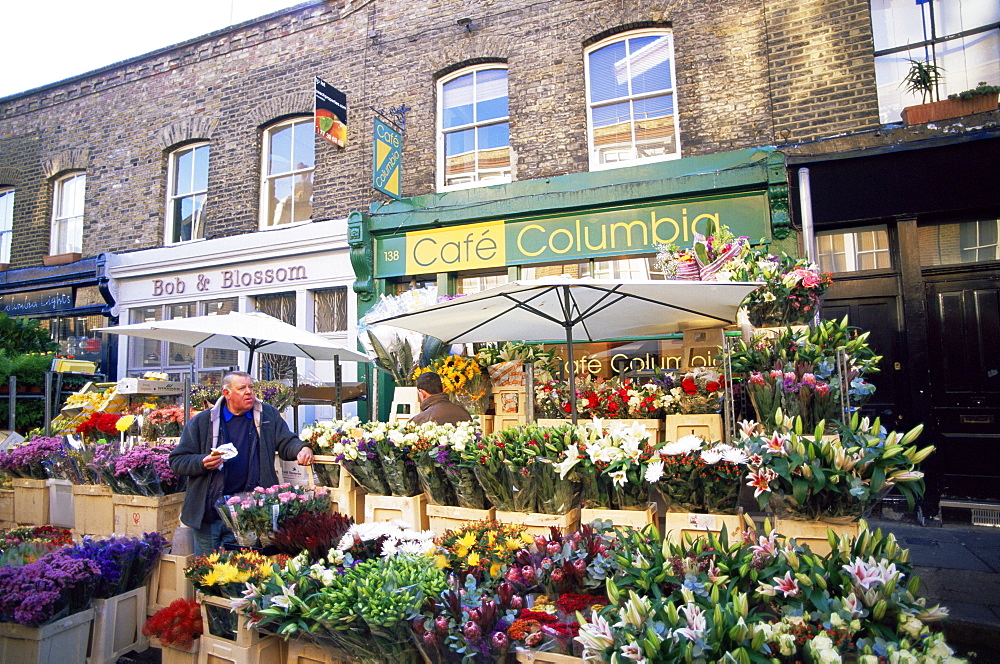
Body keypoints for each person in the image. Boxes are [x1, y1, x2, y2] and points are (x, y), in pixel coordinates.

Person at [169, 371, 314, 554]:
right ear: (226, 393)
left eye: (251, 387)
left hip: (248, 514)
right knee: (207, 574)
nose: (249, 392)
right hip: (209, 515)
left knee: (245, 573)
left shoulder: (267, 415)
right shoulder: (203, 421)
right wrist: (202, 462)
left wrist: (302, 448)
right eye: (242, 388)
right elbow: (177, 460)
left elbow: (286, 441)